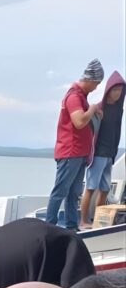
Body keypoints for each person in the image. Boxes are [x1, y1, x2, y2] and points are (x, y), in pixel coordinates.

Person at [45, 59, 104, 231]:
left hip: (80, 153)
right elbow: (79, 122)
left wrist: (94, 112)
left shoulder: (81, 97)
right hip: (70, 152)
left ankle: (71, 227)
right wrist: (92, 109)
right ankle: (49, 228)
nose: (96, 87)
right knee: (61, 191)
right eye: (97, 83)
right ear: (90, 79)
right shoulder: (73, 97)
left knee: (74, 193)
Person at [80, 70, 126, 229]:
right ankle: (83, 220)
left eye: (120, 90)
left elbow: (117, 132)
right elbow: (88, 129)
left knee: (105, 189)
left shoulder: (119, 110)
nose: (118, 93)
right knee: (90, 188)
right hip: (98, 154)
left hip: (109, 155)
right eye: (115, 89)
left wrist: (114, 154)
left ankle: (98, 219)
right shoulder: (100, 107)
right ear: (108, 90)